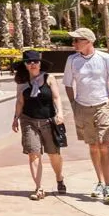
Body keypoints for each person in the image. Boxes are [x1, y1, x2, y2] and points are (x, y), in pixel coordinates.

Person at [63, 27, 109, 204]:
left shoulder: (104, 58)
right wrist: (73, 103)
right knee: (93, 147)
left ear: (88, 41)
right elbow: (68, 83)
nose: (73, 44)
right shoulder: (72, 60)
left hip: (102, 106)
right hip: (82, 107)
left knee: (104, 146)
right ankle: (99, 182)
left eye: (76, 40)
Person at [12, 50, 66, 200]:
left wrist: (60, 113)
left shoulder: (49, 78)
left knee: (54, 154)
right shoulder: (22, 82)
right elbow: (20, 101)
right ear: (25, 65)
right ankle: (39, 188)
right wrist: (15, 118)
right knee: (33, 153)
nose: (33, 64)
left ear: (40, 63)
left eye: (35, 61)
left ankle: (59, 178)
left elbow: (56, 97)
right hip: (28, 120)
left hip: (48, 120)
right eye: (29, 62)